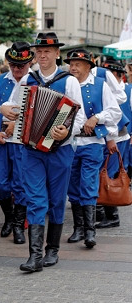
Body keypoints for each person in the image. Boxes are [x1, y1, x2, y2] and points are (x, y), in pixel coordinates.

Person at [18, 32, 85, 272]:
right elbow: (18, 111)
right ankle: (35, 256)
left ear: (57, 53)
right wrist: (8, 111)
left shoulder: (69, 81)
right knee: (36, 200)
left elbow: (80, 118)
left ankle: (52, 249)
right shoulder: (28, 78)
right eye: (39, 51)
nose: (42, 55)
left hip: (60, 150)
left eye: (47, 51)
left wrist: (65, 132)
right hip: (32, 149)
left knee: (57, 201)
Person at [64, 49, 121, 248]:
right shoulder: (64, 84)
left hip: (92, 143)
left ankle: (90, 231)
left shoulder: (100, 85)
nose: (73, 67)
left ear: (88, 66)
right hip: (68, 144)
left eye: (77, 64)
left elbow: (115, 111)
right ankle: (78, 228)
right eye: (71, 64)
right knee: (72, 186)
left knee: (87, 184)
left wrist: (97, 117)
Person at [0, 42, 35, 245]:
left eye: (20, 65)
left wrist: (17, 123)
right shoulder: (0, 81)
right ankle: (9, 217)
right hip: (3, 140)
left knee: (21, 184)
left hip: (24, 142)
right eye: (13, 64)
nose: (16, 69)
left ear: (29, 63)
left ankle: (18, 225)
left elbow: (39, 112)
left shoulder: (35, 81)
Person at [96, 59, 132, 229]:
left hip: (117, 134)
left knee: (108, 172)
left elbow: (121, 97)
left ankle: (112, 216)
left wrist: (105, 101)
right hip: (106, 134)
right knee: (102, 171)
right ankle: (100, 210)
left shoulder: (103, 76)